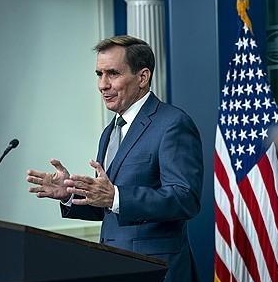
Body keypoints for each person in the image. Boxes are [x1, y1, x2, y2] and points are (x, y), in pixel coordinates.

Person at [26, 35, 204, 282]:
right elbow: (109, 208)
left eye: (113, 73)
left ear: (142, 77)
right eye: (99, 74)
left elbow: (186, 199)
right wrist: (69, 194)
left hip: (158, 270)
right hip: (115, 266)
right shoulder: (110, 131)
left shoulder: (173, 124)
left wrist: (116, 196)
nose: (102, 84)